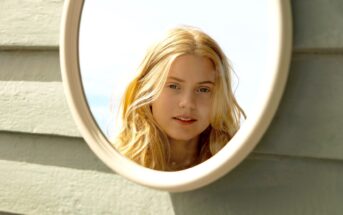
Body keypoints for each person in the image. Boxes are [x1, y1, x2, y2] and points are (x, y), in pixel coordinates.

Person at [113, 26, 245, 171]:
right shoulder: (116, 162)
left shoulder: (238, 167)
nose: (188, 103)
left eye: (203, 89)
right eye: (174, 86)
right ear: (147, 89)